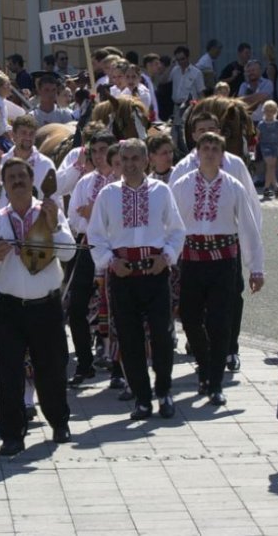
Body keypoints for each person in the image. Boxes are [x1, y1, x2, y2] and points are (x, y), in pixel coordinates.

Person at [0, 158, 74, 456]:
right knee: (9, 374)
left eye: (22, 176)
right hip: (10, 308)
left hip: (45, 305)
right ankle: (12, 435)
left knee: (52, 368)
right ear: (4, 184)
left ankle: (59, 422)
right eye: (11, 177)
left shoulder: (49, 211)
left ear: (32, 180)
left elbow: (69, 252)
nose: (17, 181)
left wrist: (54, 225)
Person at [88, 139, 186, 420]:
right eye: (125, 159)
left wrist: (166, 257)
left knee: (162, 336)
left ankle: (164, 392)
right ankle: (142, 399)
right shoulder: (108, 195)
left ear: (146, 161)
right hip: (123, 274)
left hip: (154, 273)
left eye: (135, 159)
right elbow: (95, 235)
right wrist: (110, 261)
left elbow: (177, 230)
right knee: (129, 339)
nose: (130, 164)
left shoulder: (161, 191)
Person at [171, 133, 264, 407]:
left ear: (222, 155)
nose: (210, 153)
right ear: (197, 153)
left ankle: (214, 383)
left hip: (223, 261)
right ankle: (205, 364)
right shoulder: (182, 185)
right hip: (192, 259)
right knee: (189, 317)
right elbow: (171, 225)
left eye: (215, 149)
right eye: (205, 148)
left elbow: (248, 227)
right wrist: (167, 258)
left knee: (220, 322)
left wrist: (256, 268)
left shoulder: (234, 186)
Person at [66, 132, 118, 386]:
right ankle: (84, 364)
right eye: (94, 151)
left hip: (116, 249)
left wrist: (93, 212)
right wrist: (94, 216)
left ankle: (119, 368)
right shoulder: (85, 182)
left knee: (117, 308)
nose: (99, 156)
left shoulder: (121, 182)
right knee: (76, 307)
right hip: (88, 247)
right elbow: (73, 219)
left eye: (103, 150)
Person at [1, 114, 57, 199]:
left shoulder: (46, 164)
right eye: (23, 133)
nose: (28, 137)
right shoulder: (2, 162)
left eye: (31, 134)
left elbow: (55, 197)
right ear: (13, 135)